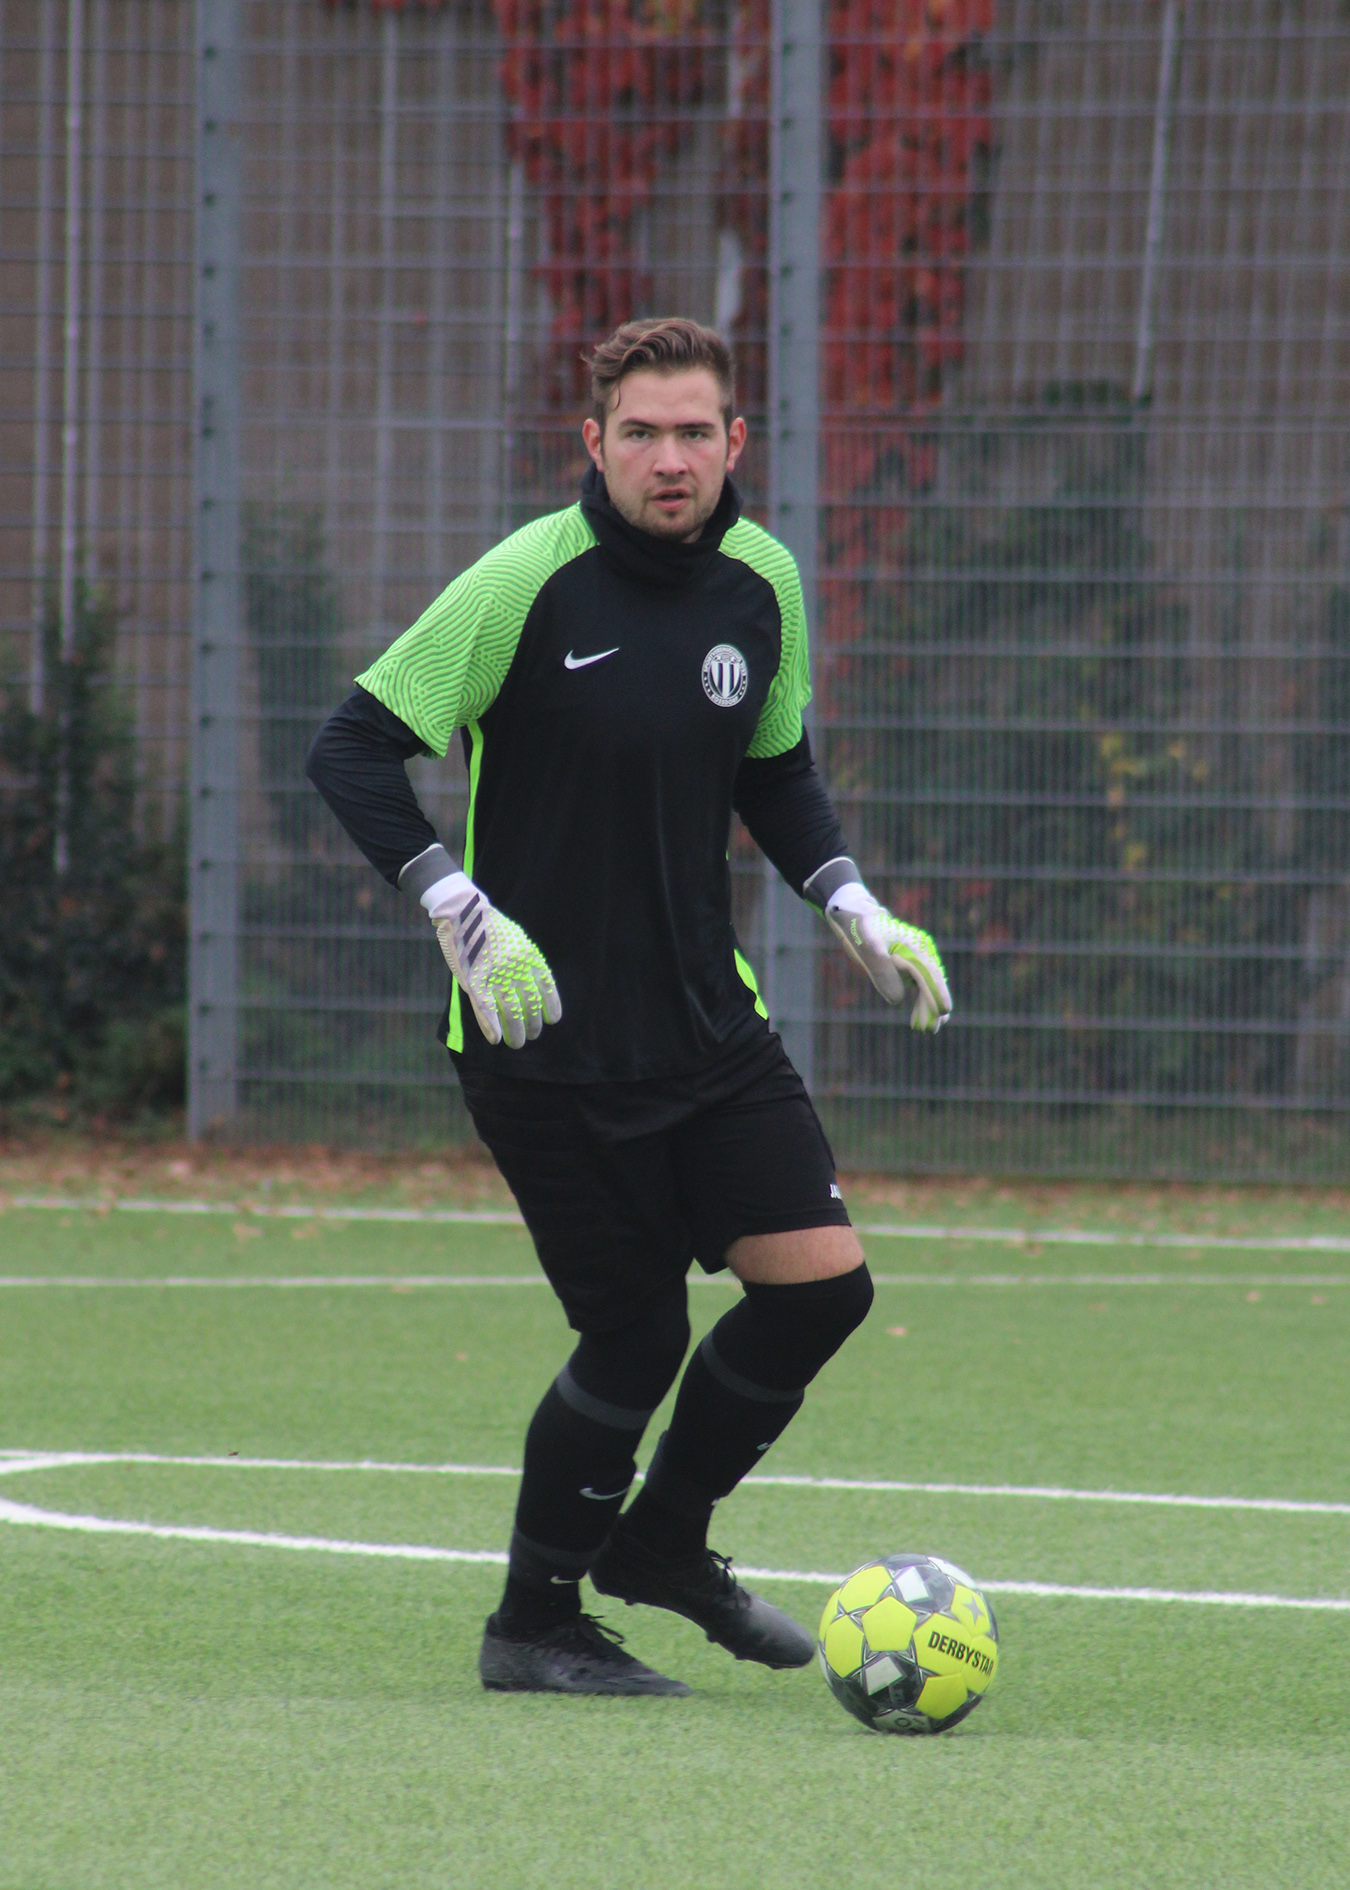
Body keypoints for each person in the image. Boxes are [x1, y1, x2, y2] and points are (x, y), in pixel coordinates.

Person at [306, 317, 951, 1698]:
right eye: (641, 433)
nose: (670, 459)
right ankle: (532, 1623)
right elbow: (351, 746)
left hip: (708, 1024)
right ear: (592, 443)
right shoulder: (524, 581)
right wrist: (452, 902)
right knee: (638, 1334)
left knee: (824, 1290)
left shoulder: (763, 580)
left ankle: (658, 1543)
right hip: (543, 1041)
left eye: (693, 433)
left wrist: (849, 898)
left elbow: (771, 767)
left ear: (735, 441)